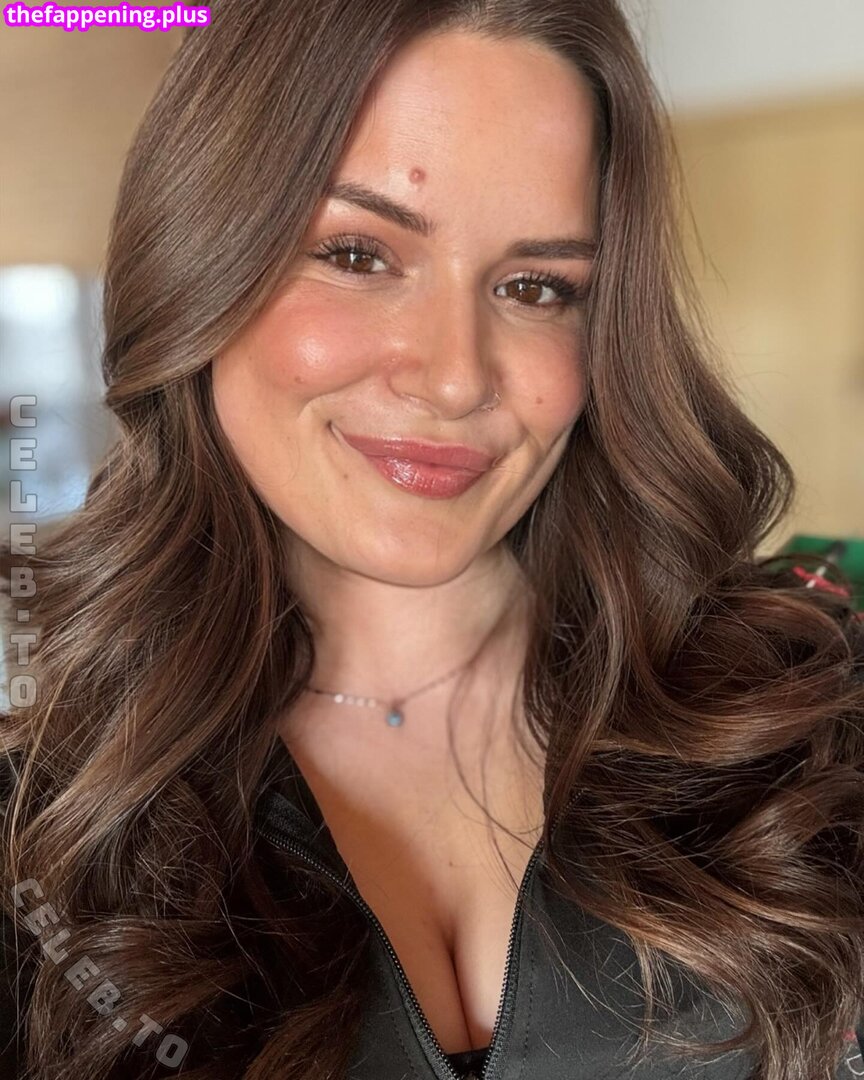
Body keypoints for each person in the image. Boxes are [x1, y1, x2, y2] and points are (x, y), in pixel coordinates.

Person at [1, 1, 862, 1078]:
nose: (455, 377)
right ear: (198, 263)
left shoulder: (803, 721)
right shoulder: (44, 816)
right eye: (358, 254)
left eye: (536, 286)